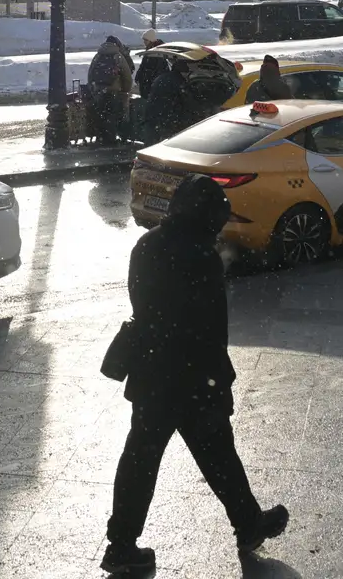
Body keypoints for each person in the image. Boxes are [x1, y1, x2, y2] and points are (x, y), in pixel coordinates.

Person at [102, 175, 288, 574]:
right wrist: (219, 384)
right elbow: (210, 332)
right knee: (219, 454)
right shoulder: (201, 256)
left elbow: (145, 305)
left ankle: (121, 544)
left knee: (140, 460)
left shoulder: (147, 245)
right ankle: (247, 523)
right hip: (191, 379)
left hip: (152, 374)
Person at [87, 35, 135, 143]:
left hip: (99, 91)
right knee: (112, 115)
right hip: (114, 92)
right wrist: (125, 90)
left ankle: (101, 138)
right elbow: (127, 76)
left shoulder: (98, 56)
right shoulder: (118, 56)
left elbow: (90, 74)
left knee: (101, 114)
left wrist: (93, 88)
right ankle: (111, 141)